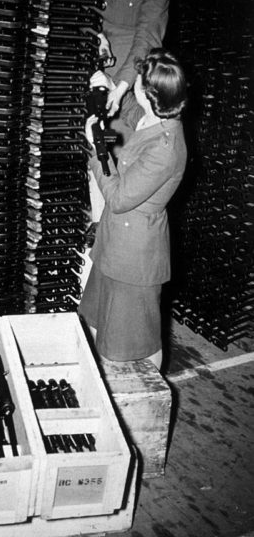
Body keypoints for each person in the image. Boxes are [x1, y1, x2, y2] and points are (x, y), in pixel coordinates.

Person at [78, 48, 188, 371]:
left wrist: (96, 144)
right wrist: (110, 86)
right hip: (114, 247)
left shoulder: (166, 149)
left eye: (137, 81)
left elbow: (120, 198)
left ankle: (149, 403)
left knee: (131, 346)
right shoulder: (156, 117)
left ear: (150, 94)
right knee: (94, 328)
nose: (133, 84)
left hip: (133, 261)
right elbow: (130, 112)